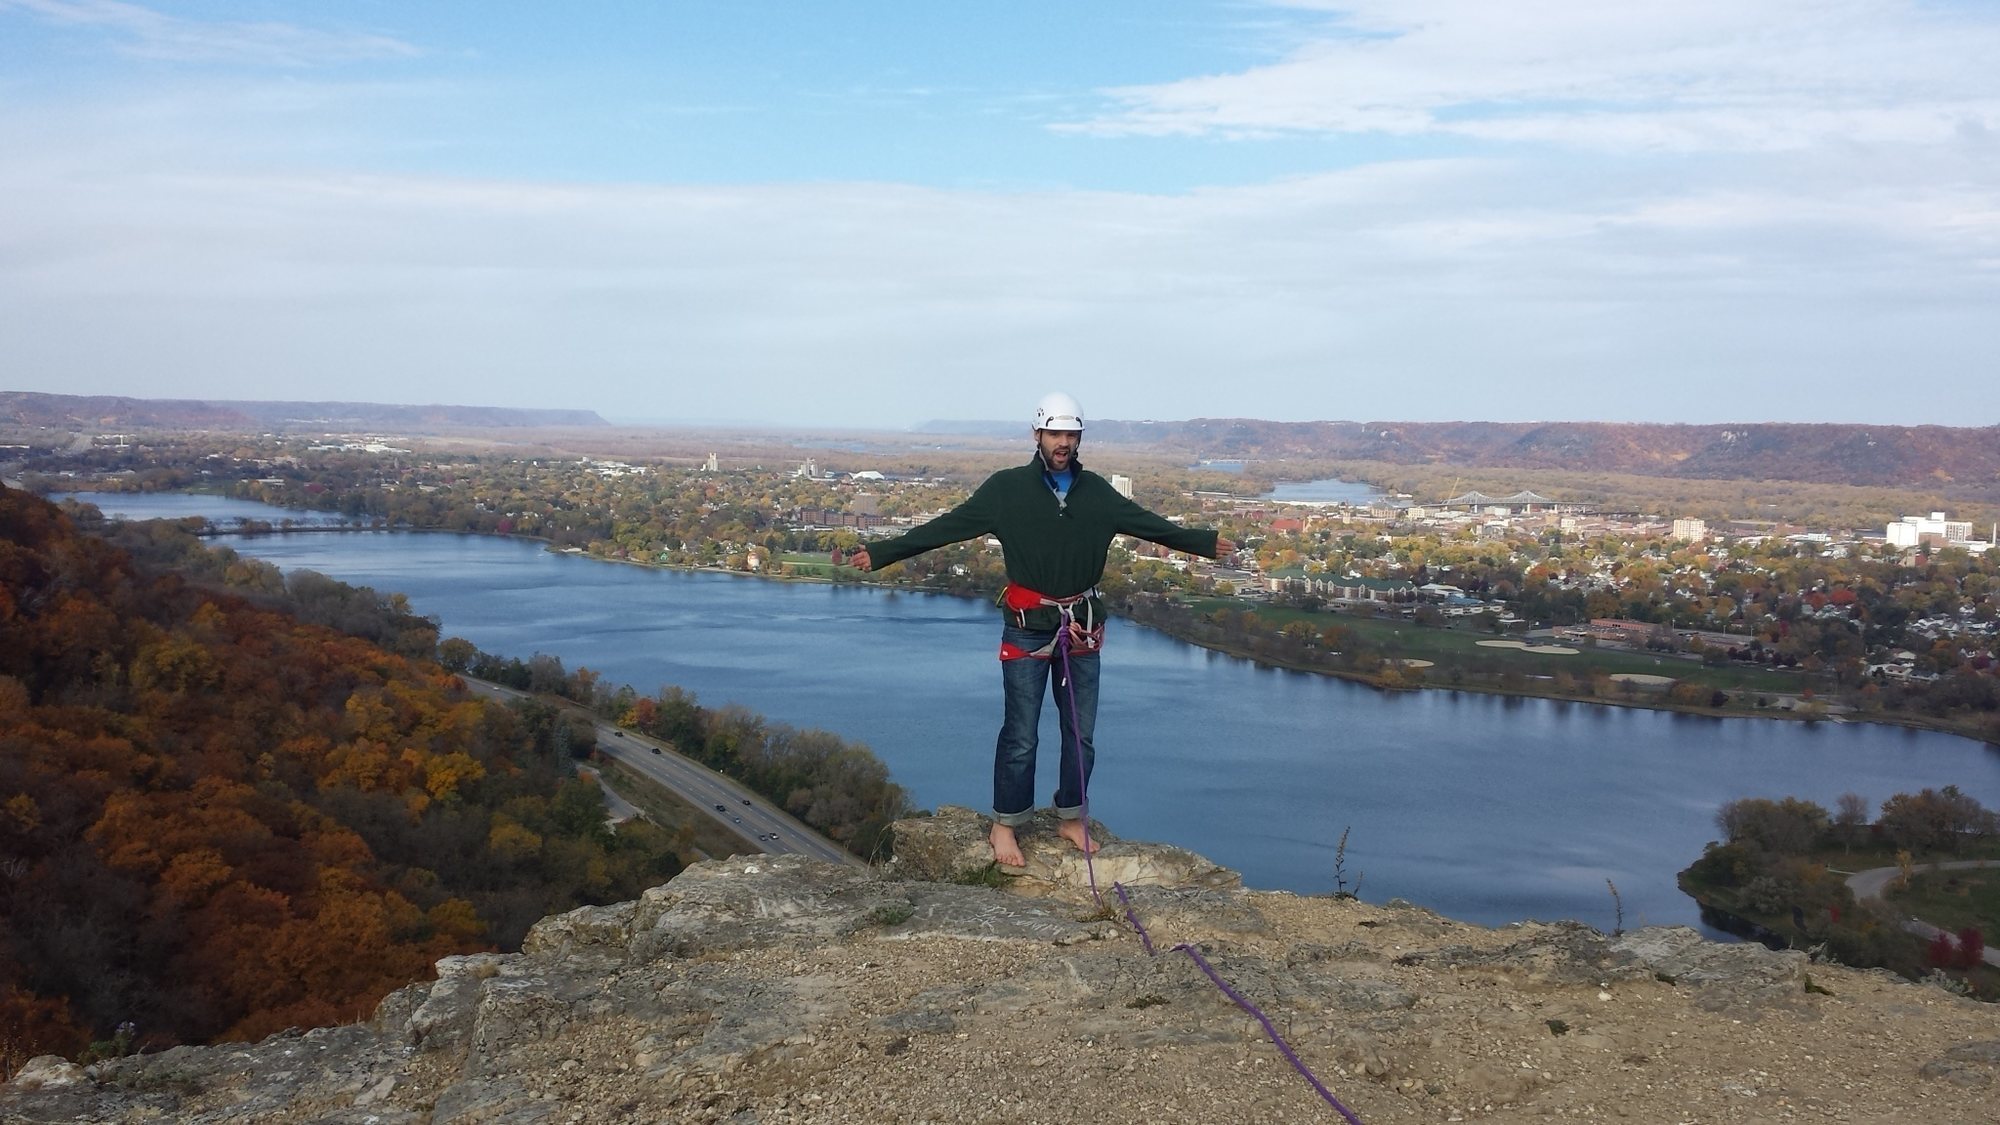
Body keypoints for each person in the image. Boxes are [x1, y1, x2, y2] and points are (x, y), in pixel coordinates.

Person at [841, 392, 1236, 867]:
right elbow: (948, 527)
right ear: (1038, 435)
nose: (1064, 442)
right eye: (1056, 434)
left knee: (1079, 732)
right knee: (1021, 733)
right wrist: (884, 553)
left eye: (1072, 434)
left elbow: (1150, 525)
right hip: (1028, 627)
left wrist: (1205, 543)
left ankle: (1071, 816)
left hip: (1081, 627)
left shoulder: (1097, 494)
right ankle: (1006, 823)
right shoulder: (1006, 490)